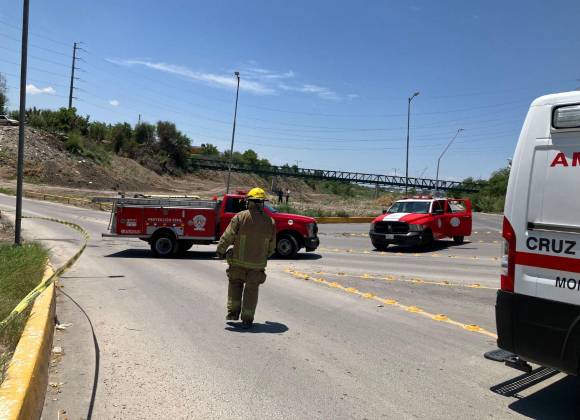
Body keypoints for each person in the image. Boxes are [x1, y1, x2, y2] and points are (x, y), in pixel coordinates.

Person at [216, 187, 277, 329]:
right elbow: (272, 246)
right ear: (262, 203)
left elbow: (228, 236)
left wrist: (221, 250)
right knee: (251, 291)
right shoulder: (270, 222)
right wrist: (263, 256)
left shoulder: (240, 217)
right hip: (257, 266)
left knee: (235, 286)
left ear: (249, 201)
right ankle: (247, 320)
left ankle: (233, 313)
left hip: (238, 263)